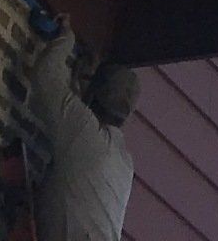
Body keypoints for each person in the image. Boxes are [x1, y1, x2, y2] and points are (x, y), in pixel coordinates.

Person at [29, 21, 138, 241]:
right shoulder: (125, 164)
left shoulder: (85, 133)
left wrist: (66, 37)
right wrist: (80, 87)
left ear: (94, 94)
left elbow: (45, 75)